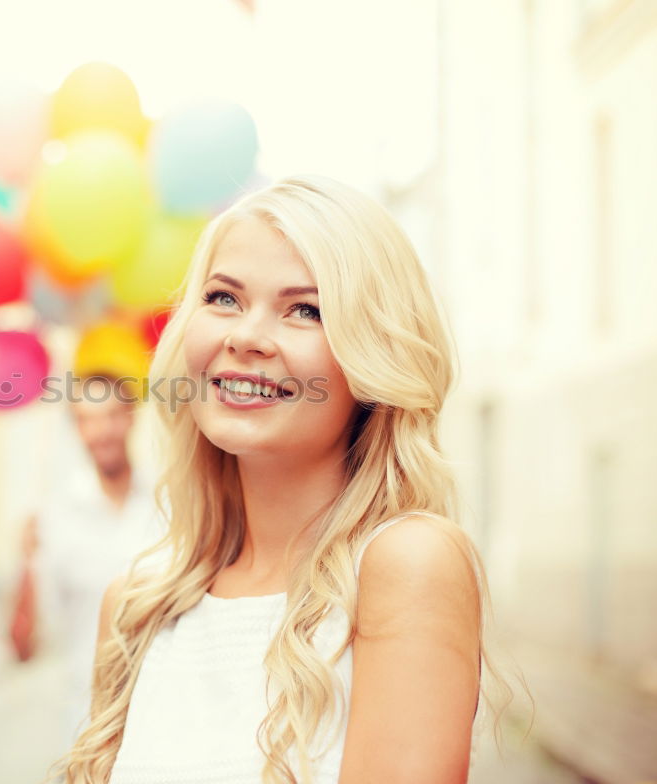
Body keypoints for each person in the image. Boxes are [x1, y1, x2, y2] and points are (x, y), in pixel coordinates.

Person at [43, 175, 524, 784]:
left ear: (371, 357)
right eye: (222, 298)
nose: (245, 337)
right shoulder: (133, 609)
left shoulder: (405, 566)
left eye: (305, 309)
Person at [11, 372, 167, 747]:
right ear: (76, 430)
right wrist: (27, 564)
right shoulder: (54, 519)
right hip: (87, 722)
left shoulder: (172, 506)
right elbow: (23, 647)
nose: (102, 432)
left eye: (111, 415)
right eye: (88, 420)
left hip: (165, 716)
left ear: (131, 417)